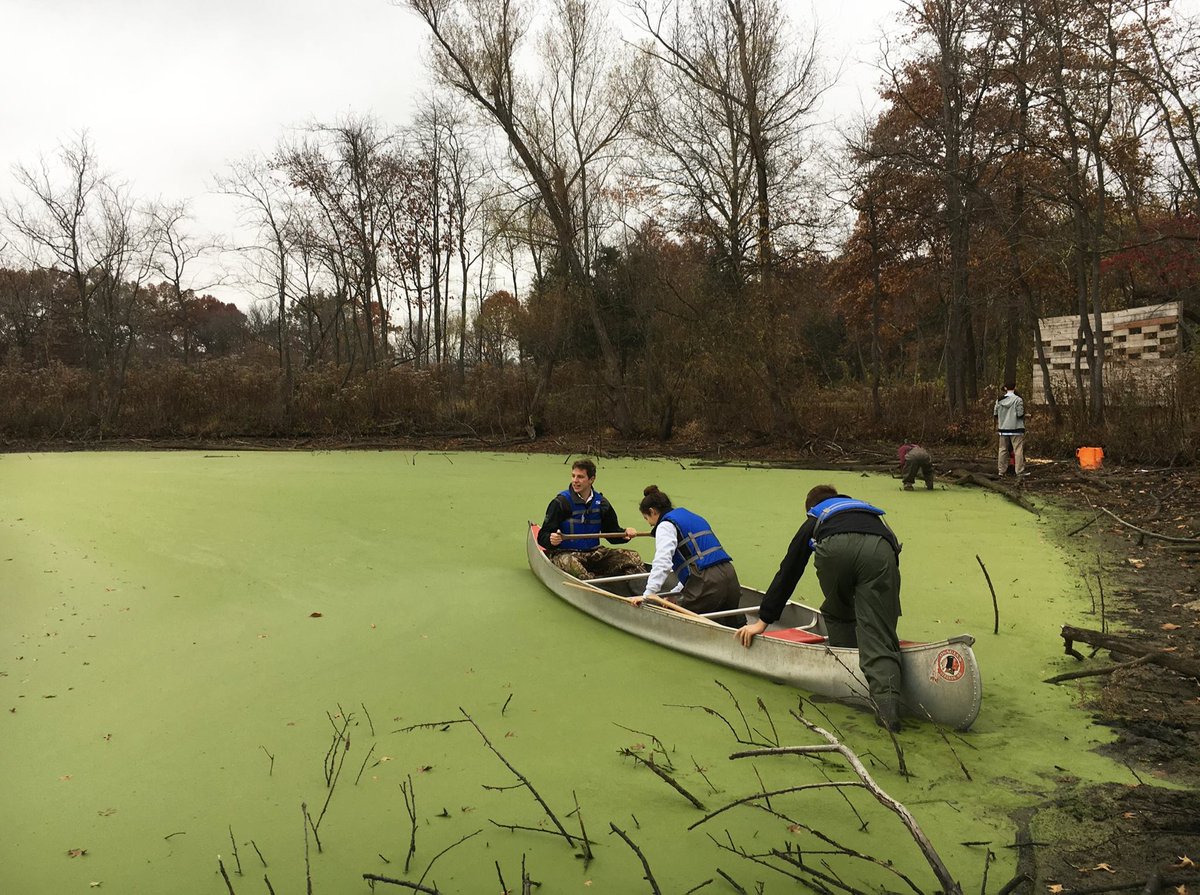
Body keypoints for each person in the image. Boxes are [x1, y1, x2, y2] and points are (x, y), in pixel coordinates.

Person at [736, 485, 905, 732]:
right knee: (879, 634)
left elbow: (790, 569)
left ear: (810, 508)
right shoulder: (870, 513)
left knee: (838, 614)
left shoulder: (817, 516)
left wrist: (764, 620)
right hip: (881, 551)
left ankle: (848, 676)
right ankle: (889, 714)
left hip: (836, 550)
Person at [623, 486, 746, 628]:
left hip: (707, 584)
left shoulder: (665, 525)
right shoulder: (692, 517)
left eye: (646, 518)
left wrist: (648, 595)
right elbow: (696, 562)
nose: (649, 524)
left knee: (679, 622)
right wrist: (675, 593)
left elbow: (662, 562)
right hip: (730, 576)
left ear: (652, 511)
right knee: (732, 623)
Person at [537, 459, 644, 580]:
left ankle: (640, 588)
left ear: (591, 479)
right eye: (573, 476)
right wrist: (551, 540)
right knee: (572, 564)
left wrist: (625, 533)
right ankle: (595, 584)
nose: (575, 481)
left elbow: (612, 533)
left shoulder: (602, 503)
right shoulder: (561, 503)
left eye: (580, 477)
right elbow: (542, 536)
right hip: (566, 554)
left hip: (593, 553)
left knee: (633, 557)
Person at [994, 382, 1026, 476]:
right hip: (1016, 428)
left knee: (1002, 450)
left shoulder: (999, 400)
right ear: (1015, 387)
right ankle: (1019, 471)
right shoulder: (1018, 399)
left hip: (1003, 429)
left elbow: (995, 414)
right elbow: (1020, 414)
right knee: (1018, 450)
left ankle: (1001, 471)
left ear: (1005, 388)